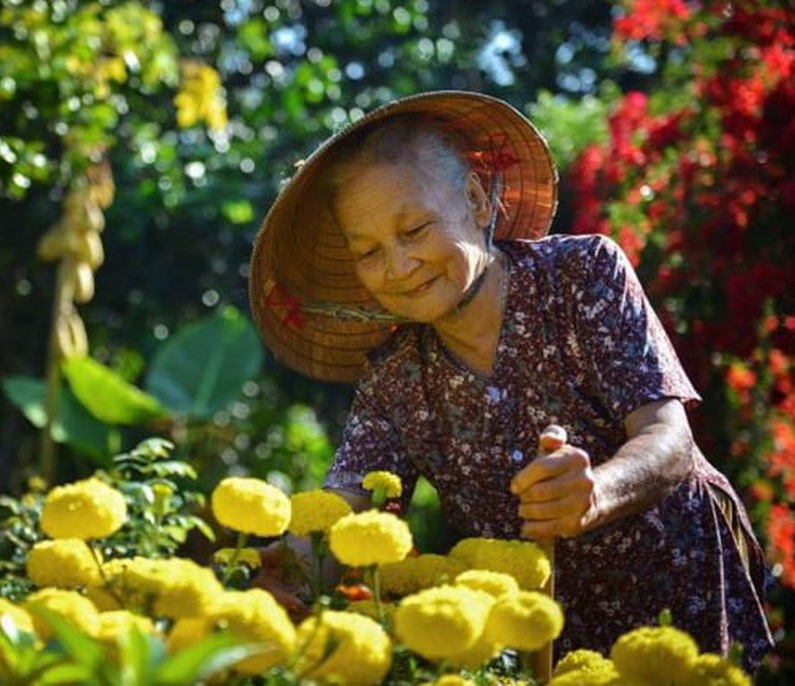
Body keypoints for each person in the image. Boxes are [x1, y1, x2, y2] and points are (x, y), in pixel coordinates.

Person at [248, 91, 774, 670]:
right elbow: (348, 505)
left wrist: (594, 492)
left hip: (680, 594)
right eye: (369, 251)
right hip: (545, 635)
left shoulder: (583, 274)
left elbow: (668, 440)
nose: (398, 268)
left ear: (474, 200)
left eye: (415, 230)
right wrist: (288, 566)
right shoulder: (394, 379)